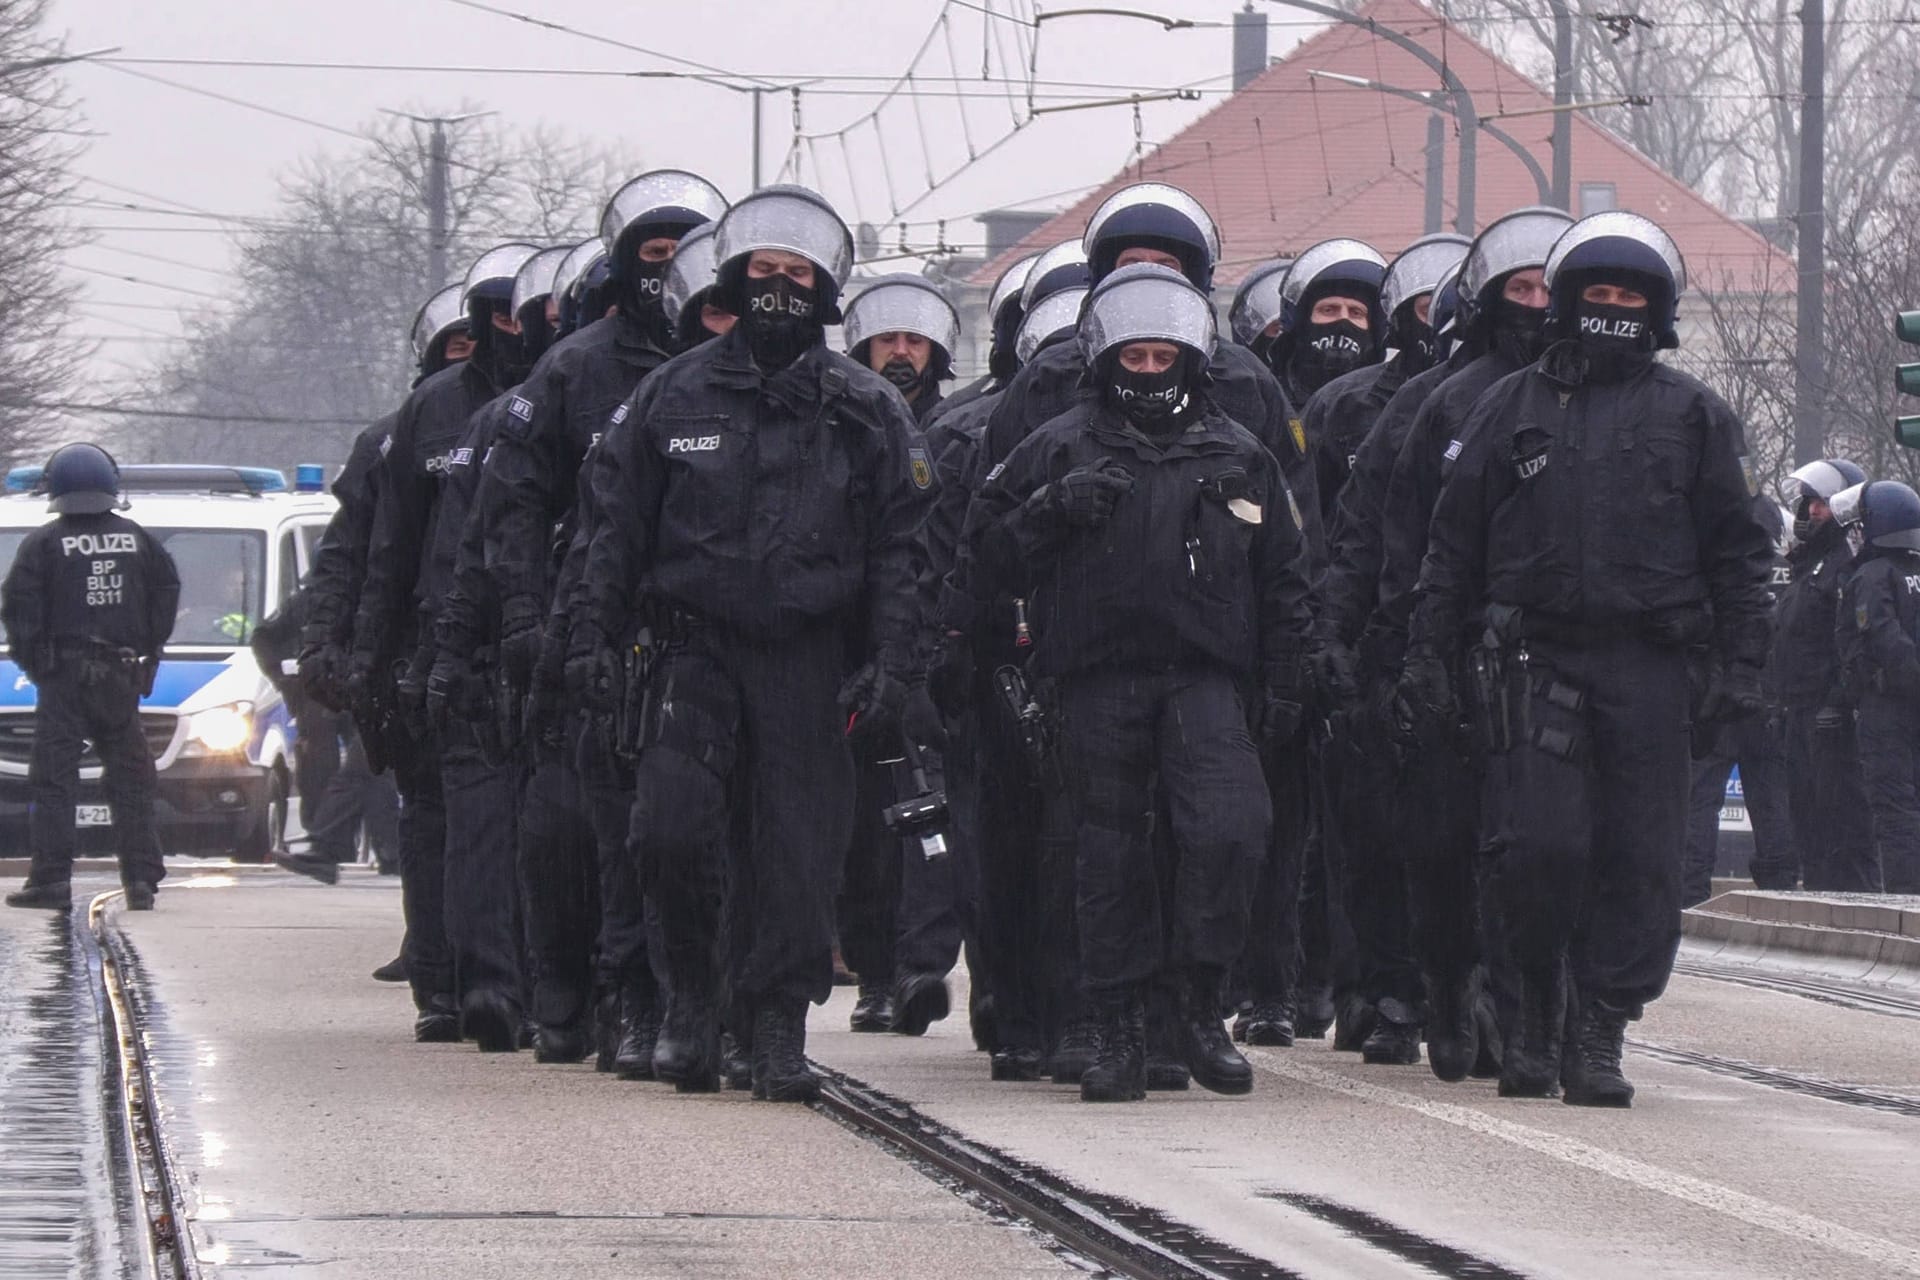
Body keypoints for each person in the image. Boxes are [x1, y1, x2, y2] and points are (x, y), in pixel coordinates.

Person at [1404, 210, 1773, 1107]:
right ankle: (1531, 1011)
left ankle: (1600, 1026)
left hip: (1651, 669)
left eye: (1630, 297)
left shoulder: (1695, 415)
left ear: (1658, 310)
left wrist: (1742, 671)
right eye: (1598, 294)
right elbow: (1450, 546)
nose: (1613, 310)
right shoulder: (1508, 405)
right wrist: (1427, 658)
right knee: (1537, 849)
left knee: (1642, 859)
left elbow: (1740, 552)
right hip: (1535, 661)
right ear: (1569, 303)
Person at [575, 184, 924, 1102]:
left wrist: (894, 662)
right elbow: (611, 529)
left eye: (796, 273)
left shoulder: (867, 407)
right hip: (689, 652)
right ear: (733, 278)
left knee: (799, 854)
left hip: (811, 660)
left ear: (824, 291)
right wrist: (591, 643)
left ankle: (774, 1025)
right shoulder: (669, 394)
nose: (778, 287)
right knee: (669, 832)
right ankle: (692, 999)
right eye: (762, 270)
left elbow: (903, 547)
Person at [960, 263, 1315, 1101]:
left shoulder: (1238, 451)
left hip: (1204, 679)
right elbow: (983, 549)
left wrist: (1292, 680)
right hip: (1094, 678)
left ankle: (1195, 997)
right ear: (1105, 359)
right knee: (1105, 854)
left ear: (1189, 359)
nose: (1148, 372)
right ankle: (1116, 1023)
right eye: (1135, 358)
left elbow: (1287, 576)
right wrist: (1051, 510)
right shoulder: (1057, 445)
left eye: (1163, 357)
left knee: (1232, 830)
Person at [481, 173, 726, 1072]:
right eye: (655, 256)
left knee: (672, 831)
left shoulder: (740, 367)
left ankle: (672, 998)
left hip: (692, 630)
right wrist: (524, 614)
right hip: (580, 623)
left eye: (686, 254)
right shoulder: (575, 368)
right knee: (570, 827)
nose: (671, 274)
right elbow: (510, 501)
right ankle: (581, 993)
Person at [352, 241, 542, 1047]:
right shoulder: (429, 411)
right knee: (443, 818)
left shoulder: (554, 392)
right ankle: (444, 978)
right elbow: (385, 548)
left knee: (535, 820)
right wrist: (373, 657)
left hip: (532, 635)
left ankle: (533, 976)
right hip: (443, 639)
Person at [4, 444, 179, 911]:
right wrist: (148, 649)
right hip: (121, 674)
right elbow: (166, 594)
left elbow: (18, 610)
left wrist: (37, 665)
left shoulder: (42, 543)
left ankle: (51, 881)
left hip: (64, 677)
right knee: (130, 777)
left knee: (55, 778)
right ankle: (141, 880)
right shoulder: (140, 540)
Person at [1683, 493, 1795, 905]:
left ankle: (1691, 894)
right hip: (1768, 705)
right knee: (1771, 801)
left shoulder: (1716, 573)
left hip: (1719, 701)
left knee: (1701, 801)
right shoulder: (1789, 573)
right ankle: (1782, 891)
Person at [1774, 458, 1880, 891]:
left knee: (1843, 820)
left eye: (1821, 503)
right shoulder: (1807, 565)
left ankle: (1857, 902)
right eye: (1809, 502)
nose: (1811, 511)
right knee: (1807, 816)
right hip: (1797, 713)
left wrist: (1839, 701)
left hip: (1830, 716)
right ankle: (1818, 897)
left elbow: (1854, 642)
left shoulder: (1846, 564)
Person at [1838, 480, 1920, 894]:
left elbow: (1882, 638)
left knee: (1895, 810)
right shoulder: (1915, 571)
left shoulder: (1871, 576)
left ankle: (1906, 902)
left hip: (1886, 706)